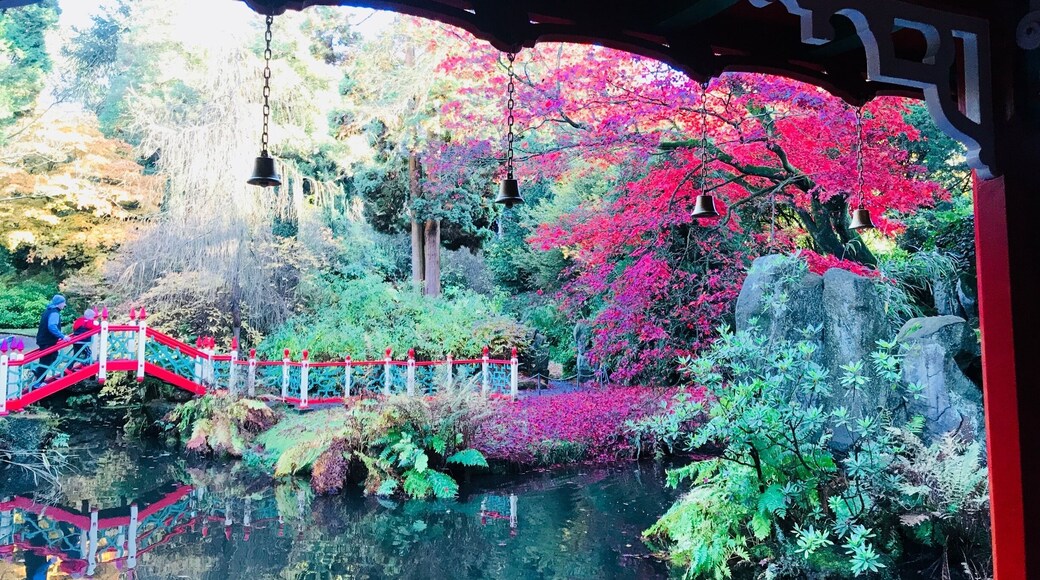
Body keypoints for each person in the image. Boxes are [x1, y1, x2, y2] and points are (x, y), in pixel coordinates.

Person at [32, 294, 68, 385]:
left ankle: (38, 372)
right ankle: (38, 382)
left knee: (52, 356)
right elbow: (52, 326)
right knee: (46, 361)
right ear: (58, 303)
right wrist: (62, 336)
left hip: (43, 339)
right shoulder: (54, 313)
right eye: (63, 303)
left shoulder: (48, 310)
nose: (64, 305)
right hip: (48, 341)